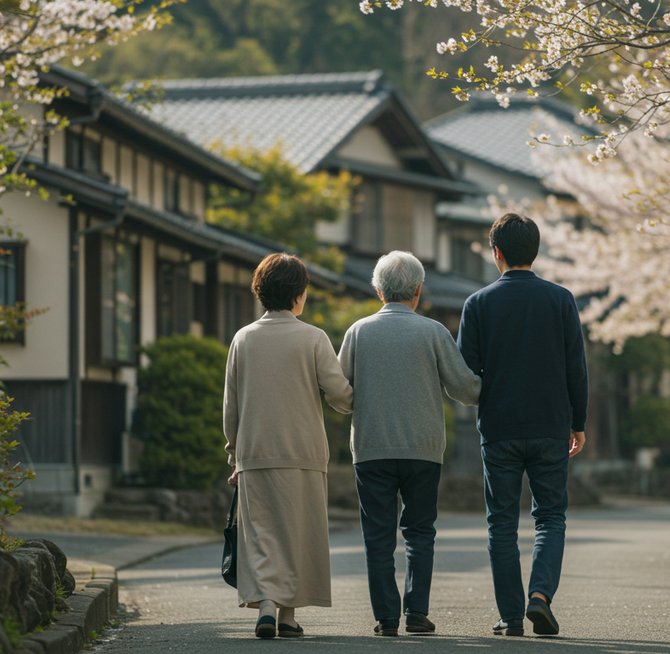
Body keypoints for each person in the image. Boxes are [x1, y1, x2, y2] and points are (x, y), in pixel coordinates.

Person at [457, 213, 588, 637]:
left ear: (496, 253)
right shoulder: (561, 299)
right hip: (551, 424)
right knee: (550, 516)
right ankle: (540, 597)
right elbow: (576, 368)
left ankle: (511, 616)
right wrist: (578, 422)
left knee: (501, 523)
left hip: (499, 427)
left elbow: (466, 372)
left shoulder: (478, 304)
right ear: (535, 251)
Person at [338, 251, 481, 638]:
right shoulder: (433, 332)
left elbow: (339, 392)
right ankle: (416, 612)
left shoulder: (358, 332)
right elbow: (464, 389)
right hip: (423, 447)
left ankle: (386, 617)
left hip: (371, 447)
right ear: (418, 291)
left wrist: (362, 403)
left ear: (378, 290)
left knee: (378, 535)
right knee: (420, 531)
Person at [222, 253, 353, 639]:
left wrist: (234, 453)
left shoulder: (242, 338)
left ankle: (264, 604)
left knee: (262, 532)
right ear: (300, 294)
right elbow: (340, 394)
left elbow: (231, 405)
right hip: (304, 451)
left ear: (260, 292)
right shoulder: (313, 338)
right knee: (297, 531)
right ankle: (288, 616)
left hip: (256, 450)